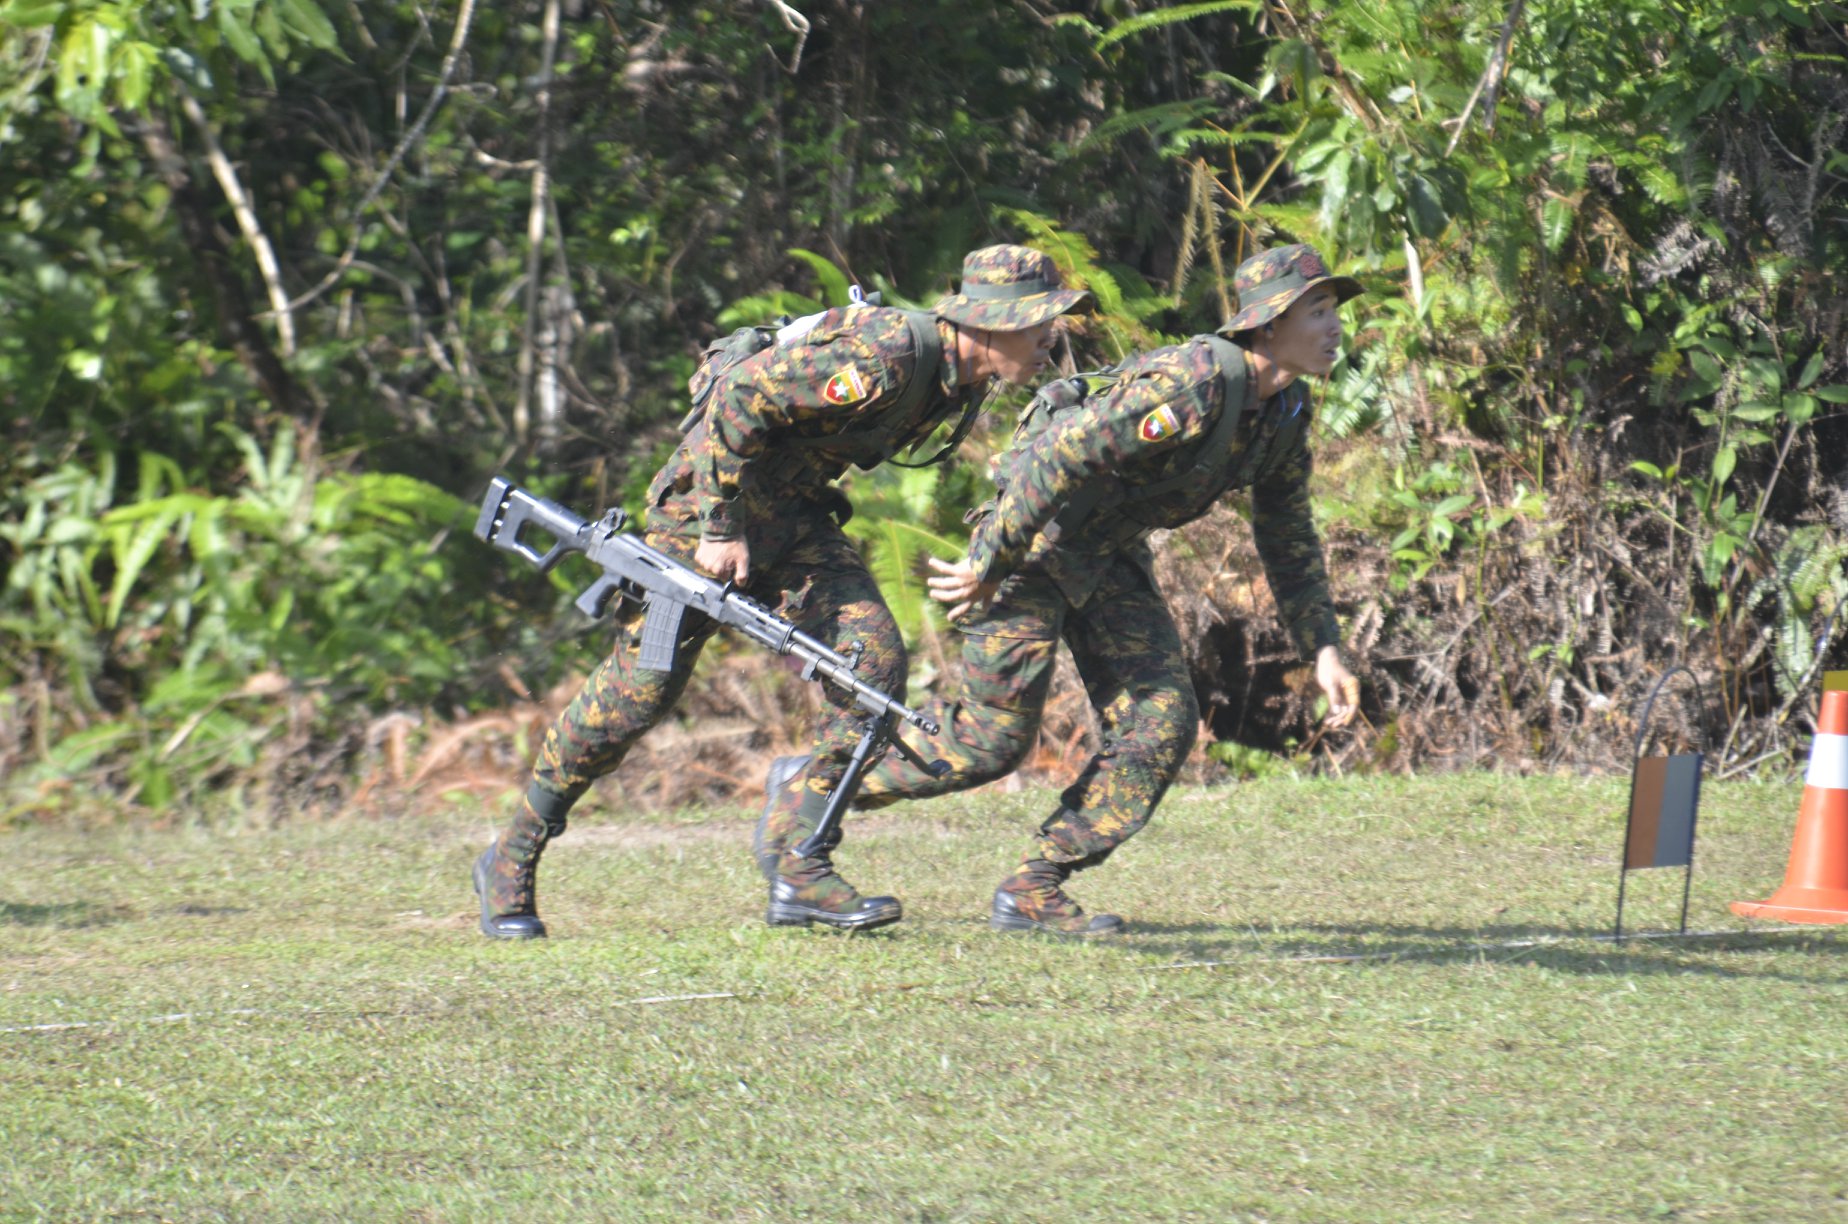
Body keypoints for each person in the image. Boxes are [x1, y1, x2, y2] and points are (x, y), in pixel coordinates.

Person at [474, 245, 1088, 939]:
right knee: (635, 697)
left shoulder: (960, 381)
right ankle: (512, 854)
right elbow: (738, 401)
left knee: (872, 670)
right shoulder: (887, 356)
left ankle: (801, 869)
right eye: (1038, 323)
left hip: (793, 519)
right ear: (989, 324)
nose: (1050, 338)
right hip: (702, 518)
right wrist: (717, 527)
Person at [760, 243, 1365, 935]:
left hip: (1107, 557)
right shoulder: (1194, 382)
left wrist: (1323, 647)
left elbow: (1288, 536)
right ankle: (811, 786)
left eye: (1332, 312)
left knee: (1161, 724)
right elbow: (1059, 453)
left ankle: (1035, 886)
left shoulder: (1284, 416)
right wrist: (990, 557)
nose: (1333, 327)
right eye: (1315, 312)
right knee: (991, 743)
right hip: (1033, 546)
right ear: (1267, 324)